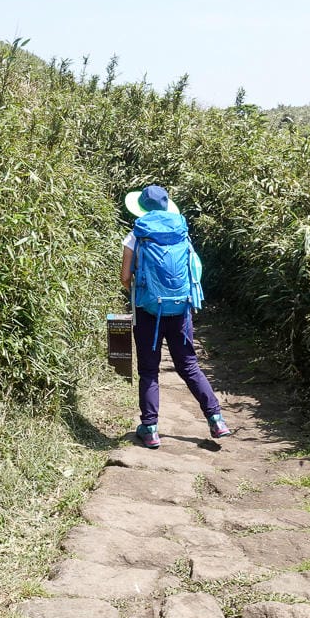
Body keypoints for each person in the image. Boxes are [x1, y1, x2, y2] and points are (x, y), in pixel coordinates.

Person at [121, 185, 230, 448]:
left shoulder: (135, 236)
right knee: (189, 365)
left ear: (142, 208)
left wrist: (141, 291)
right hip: (181, 310)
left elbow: (125, 278)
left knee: (149, 369)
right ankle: (216, 419)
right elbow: (195, 269)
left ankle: (149, 428)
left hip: (148, 311)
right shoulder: (182, 233)